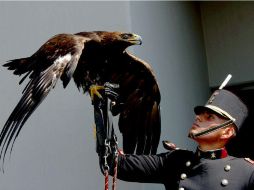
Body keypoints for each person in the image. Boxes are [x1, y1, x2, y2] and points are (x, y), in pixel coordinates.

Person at [94, 87, 254, 190]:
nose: (198, 118)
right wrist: (101, 108)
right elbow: (113, 163)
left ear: (226, 132)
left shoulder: (246, 171)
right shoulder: (175, 161)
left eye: (209, 117)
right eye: (200, 114)